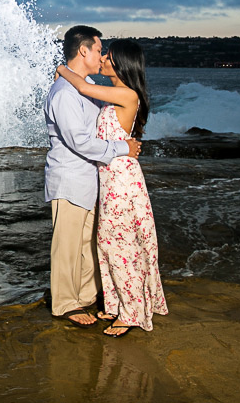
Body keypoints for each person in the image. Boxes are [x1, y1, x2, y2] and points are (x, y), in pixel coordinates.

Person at [56, 38, 168, 337]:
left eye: (109, 55)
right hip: (110, 177)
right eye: (102, 52)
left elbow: (83, 88)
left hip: (121, 178)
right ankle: (119, 303)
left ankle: (131, 314)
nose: (103, 58)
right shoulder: (115, 95)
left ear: (122, 63)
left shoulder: (127, 94)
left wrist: (61, 69)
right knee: (109, 243)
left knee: (120, 245)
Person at [44, 26, 142, 328]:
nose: (101, 57)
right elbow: (80, 142)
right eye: (99, 50)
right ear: (83, 50)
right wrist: (122, 148)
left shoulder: (82, 87)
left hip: (90, 179)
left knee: (87, 243)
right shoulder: (64, 93)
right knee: (67, 245)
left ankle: (84, 296)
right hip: (70, 178)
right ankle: (65, 304)